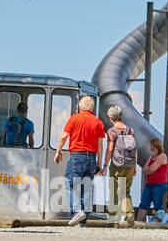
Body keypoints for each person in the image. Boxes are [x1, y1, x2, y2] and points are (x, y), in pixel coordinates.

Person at [54, 94, 104, 226]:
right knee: (86, 188)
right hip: (92, 157)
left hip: (77, 156)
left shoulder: (75, 118)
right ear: (92, 108)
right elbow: (100, 145)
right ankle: (83, 222)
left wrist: (58, 151)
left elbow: (64, 136)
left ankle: (77, 211)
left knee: (69, 184)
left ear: (80, 106)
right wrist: (100, 163)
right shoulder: (98, 122)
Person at [102, 106, 137, 227]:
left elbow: (110, 149)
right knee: (126, 190)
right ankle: (129, 213)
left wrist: (105, 165)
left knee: (114, 191)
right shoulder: (130, 130)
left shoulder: (112, 131)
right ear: (121, 116)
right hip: (130, 164)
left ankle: (114, 221)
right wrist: (135, 167)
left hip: (117, 164)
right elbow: (135, 149)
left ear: (111, 118)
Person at [137, 137, 168, 223]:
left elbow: (151, 169)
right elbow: (145, 169)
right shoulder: (152, 156)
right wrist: (150, 170)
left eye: (150, 145)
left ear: (154, 145)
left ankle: (160, 223)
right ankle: (138, 223)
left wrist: (150, 170)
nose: (149, 147)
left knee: (158, 204)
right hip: (150, 183)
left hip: (159, 184)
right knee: (143, 204)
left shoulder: (162, 156)